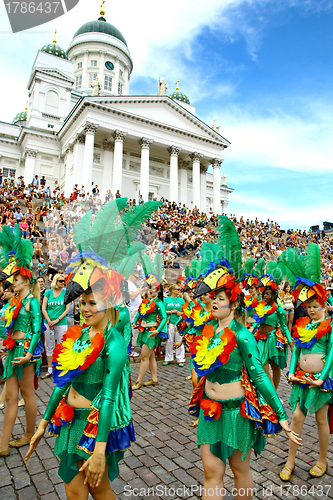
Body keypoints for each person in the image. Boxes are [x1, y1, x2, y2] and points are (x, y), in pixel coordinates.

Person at [189, 260, 301, 500]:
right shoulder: (208, 331)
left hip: (237, 415)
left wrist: (281, 414)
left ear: (233, 302)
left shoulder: (243, 336)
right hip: (210, 412)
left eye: (220, 297)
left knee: (240, 470)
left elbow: (259, 375)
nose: (214, 302)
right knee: (211, 473)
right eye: (213, 297)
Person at [25, 269, 135, 499]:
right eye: (82, 303)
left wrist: (99, 451)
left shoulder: (113, 344)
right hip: (69, 422)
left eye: (92, 303)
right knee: (74, 490)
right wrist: (43, 424)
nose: (84, 309)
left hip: (94, 428)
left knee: (99, 490)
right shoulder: (79, 334)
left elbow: (108, 399)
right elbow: (63, 382)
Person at [280, 278, 333, 481]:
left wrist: (322, 378)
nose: (311, 310)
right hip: (302, 380)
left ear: (324, 307)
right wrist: (292, 370)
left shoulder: (329, 328)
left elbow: (331, 353)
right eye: (309, 306)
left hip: (319, 381)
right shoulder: (303, 325)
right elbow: (296, 351)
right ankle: (290, 461)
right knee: (296, 418)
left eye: (316, 306)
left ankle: (322, 459)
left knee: (321, 419)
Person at [0, 228, 43, 457]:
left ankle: (28, 434)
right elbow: (5, 326)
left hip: (25, 353)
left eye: (15, 280)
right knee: (9, 397)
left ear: (26, 280)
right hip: (11, 351)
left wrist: (28, 354)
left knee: (27, 393)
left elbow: (36, 329)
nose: (12, 283)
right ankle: (3, 444)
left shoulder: (32, 302)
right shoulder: (14, 301)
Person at [252, 275, 293, 389]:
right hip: (262, 339)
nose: (265, 296)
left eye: (268, 293)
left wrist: (290, 343)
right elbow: (257, 322)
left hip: (273, 339)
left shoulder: (279, 309)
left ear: (273, 294)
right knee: (262, 365)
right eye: (264, 293)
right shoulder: (261, 307)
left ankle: (274, 391)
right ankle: (271, 393)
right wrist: (250, 330)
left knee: (275, 367)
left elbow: (284, 327)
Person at [132, 273, 167, 390]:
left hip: (151, 332)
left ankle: (139, 381)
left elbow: (164, 318)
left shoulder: (159, 303)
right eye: (150, 288)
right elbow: (140, 312)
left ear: (158, 290)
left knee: (144, 357)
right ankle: (154, 379)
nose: (151, 291)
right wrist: (136, 321)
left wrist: (157, 330)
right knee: (151, 356)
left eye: (154, 289)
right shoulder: (146, 302)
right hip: (144, 330)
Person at [41, 273, 70, 379]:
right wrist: (49, 321)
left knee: (62, 345)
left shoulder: (66, 292)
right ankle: (49, 369)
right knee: (49, 345)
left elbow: (67, 309)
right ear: (55, 281)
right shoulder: (48, 293)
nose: (63, 283)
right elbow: (44, 308)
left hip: (61, 323)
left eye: (64, 281)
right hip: (48, 322)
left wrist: (57, 320)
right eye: (60, 281)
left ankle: (62, 369)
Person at [163, 284, 185, 367]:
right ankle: (168, 357)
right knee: (169, 340)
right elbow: (163, 311)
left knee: (179, 340)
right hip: (170, 322)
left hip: (179, 323)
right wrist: (172, 312)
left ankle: (181, 359)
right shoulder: (166, 300)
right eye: (177, 289)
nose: (179, 291)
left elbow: (186, 310)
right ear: (172, 290)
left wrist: (181, 313)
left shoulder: (181, 300)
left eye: (179, 289)